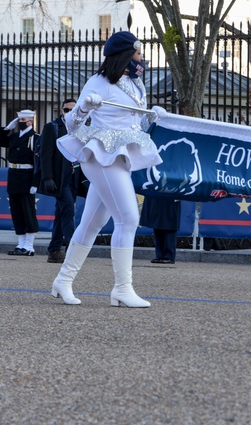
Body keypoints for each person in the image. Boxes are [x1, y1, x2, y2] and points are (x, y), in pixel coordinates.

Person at [51, 31, 165, 307]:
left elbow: (132, 125)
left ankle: (63, 281)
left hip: (118, 155)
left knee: (93, 223)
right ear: (126, 55)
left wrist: (153, 117)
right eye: (138, 53)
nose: (142, 59)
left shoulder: (136, 84)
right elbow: (72, 125)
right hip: (100, 154)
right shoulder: (98, 81)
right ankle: (122, 289)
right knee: (128, 218)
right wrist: (84, 108)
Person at [0, 109, 40, 256]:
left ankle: (29, 245)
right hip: (13, 176)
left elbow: (39, 163)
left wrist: (35, 182)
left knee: (28, 211)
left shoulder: (35, 138)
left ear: (30, 121)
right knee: (16, 212)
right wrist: (7, 128)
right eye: (19, 121)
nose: (20, 123)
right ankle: (20, 244)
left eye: (22, 121)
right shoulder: (13, 137)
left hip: (27, 177)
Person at [41, 99, 78, 263]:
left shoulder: (80, 128)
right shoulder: (52, 127)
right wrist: (47, 177)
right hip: (59, 178)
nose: (69, 112)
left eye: (73, 109)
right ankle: (72, 249)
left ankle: (54, 250)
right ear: (61, 110)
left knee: (61, 212)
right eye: (66, 109)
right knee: (69, 209)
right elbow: (45, 154)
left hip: (74, 178)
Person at [140, 194, 181, 265]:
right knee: (157, 221)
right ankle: (160, 255)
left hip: (171, 191)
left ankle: (169, 255)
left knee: (170, 222)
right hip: (157, 192)